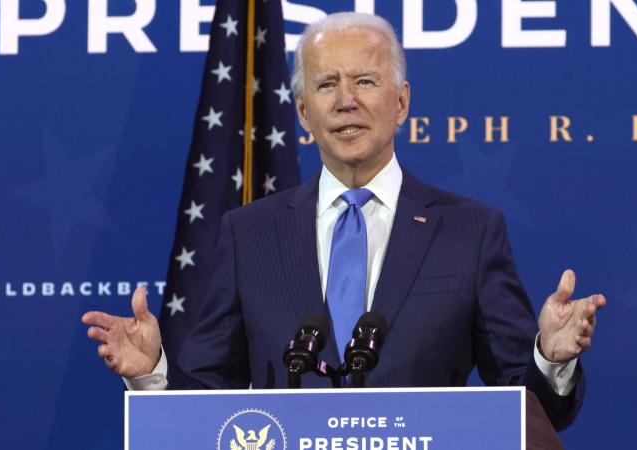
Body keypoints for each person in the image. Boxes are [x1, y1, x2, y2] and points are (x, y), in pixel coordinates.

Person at [82, 12, 605, 431]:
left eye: (365, 80)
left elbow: (531, 414)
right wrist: (153, 374)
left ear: (401, 103)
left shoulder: (470, 231)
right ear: (305, 114)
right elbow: (204, 401)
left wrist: (549, 359)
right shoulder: (249, 233)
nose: (346, 100)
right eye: (327, 84)